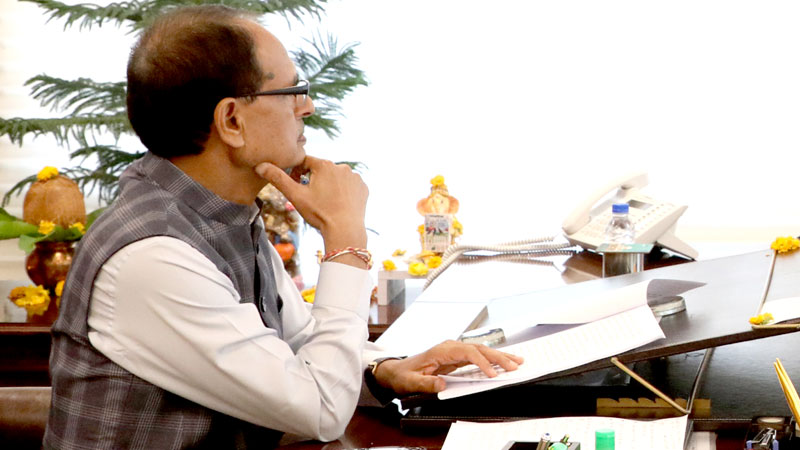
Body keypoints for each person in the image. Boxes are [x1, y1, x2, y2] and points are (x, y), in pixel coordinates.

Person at [43, 5, 523, 449]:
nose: (306, 107)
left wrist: (384, 371)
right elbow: (320, 410)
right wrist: (345, 241)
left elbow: (297, 349)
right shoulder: (153, 257)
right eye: (293, 91)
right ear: (232, 121)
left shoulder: (221, 214)